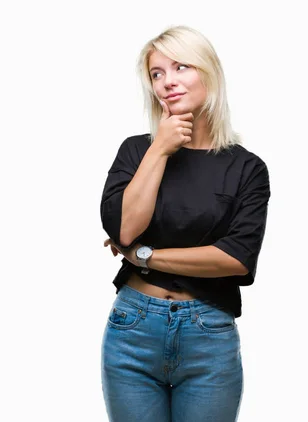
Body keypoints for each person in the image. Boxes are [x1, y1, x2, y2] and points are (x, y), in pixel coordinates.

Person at [99, 25, 270, 422]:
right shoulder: (136, 150)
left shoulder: (246, 168)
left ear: (209, 72)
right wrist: (160, 148)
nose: (167, 82)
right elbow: (123, 229)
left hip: (208, 332)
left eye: (180, 67)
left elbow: (235, 258)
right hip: (132, 329)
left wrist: (144, 255)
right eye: (156, 73)